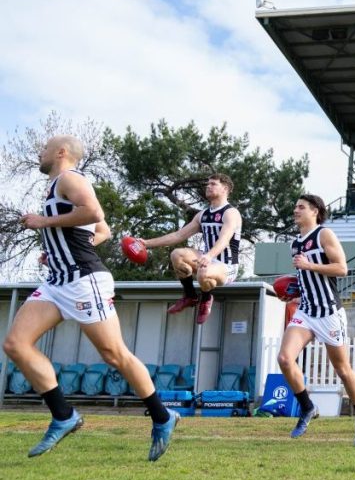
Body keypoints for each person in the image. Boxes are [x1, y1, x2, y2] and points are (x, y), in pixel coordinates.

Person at [4, 135, 178, 461]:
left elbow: (93, 211)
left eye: (43, 148)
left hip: (85, 281)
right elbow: (103, 230)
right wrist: (57, 249)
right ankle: (63, 415)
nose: (39, 153)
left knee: (114, 354)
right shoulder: (57, 185)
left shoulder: (70, 179)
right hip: (57, 281)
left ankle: (162, 416)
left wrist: (44, 222)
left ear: (61, 152)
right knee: (15, 344)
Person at [276, 194, 355, 446]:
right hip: (306, 310)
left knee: (342, 369)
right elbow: (305, 277)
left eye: (301, 207)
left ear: (315, 211)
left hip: (329, 312)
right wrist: (292, 292)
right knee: (284, 358)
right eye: (295, 206)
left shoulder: (324, 235)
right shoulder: (295, 243)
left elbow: (342, 269)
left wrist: (309, 266)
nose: (295, 210)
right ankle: (307, 407)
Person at [140, 173, 241, 324]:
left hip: (227, 266)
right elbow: (178, 236)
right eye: (208, 183)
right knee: (177, 254)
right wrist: (146, 243)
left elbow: (224, 239)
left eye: (213, 184)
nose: (208, 186)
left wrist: (208, 256)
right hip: (208, 260)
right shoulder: (202, 215)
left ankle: (206, 299)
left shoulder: (231, 213)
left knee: (203, 272)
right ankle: (190, 296)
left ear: (225, 189)